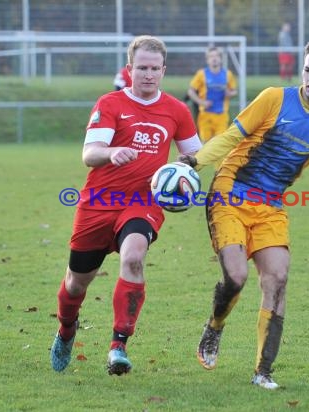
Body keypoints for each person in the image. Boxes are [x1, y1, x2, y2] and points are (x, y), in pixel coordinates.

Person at [178, 40, 309, 390]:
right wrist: (196, 160)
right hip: (229, 192)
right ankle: (214, 327)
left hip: (270, 205)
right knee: (236, 277)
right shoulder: (274, 98)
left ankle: (263, 370)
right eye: (308, 69)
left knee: (277, 278)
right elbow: (232, 136)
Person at [50, 35, 202, 376]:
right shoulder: (110, 103)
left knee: (134, 257)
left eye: (154, 69)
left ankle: (118, 345)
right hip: (99, 202)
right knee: (76, 282)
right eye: (141, 68)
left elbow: (194, 155)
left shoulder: (177, 110)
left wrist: (185, 168)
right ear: (130, 69)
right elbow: (89, 154)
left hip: (143, 202)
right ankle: (66, 330)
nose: (148, 75)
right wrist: (111, 153)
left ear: (164, 70)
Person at [187, 47, 237, 143]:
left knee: (220, 144)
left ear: (221, 58)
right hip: (205, 115)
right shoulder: (201, 74)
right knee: (205, 144)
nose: (214, 59)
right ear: (207, 60)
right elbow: (191, 91)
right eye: (211, 56)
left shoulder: (227, 74)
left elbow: (234, 91)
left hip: (221, 115)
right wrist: (201, 102)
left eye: (217, 56)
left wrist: (229, 94)